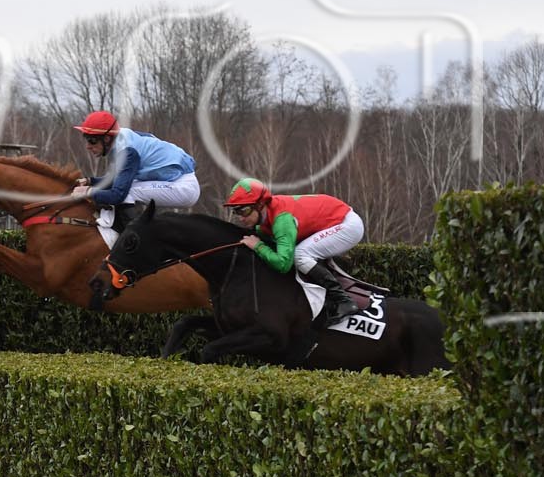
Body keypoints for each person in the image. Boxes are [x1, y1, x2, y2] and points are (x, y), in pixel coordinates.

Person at [223, 177, 364, 324]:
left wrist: (258, 246)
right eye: (236, 212)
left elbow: (283, 264)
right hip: (333, 220)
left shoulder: (282, 221)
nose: (240, 218)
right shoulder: (266, 218)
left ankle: (343, 300)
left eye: (244, 211)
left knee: (300, 254)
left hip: (347, 225)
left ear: (260, 205)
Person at [68, 111, 200, 245]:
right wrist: (89, 181)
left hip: (183, 186)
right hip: (172, 180)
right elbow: (115, 180)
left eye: (92, 141)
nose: (88, 146)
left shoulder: (127, 152)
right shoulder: (120, 140)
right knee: (124, 188)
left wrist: (89, 192)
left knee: (127, 192)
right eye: (86, 139)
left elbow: (117, 195)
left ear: (106, 139)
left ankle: (138, 242)